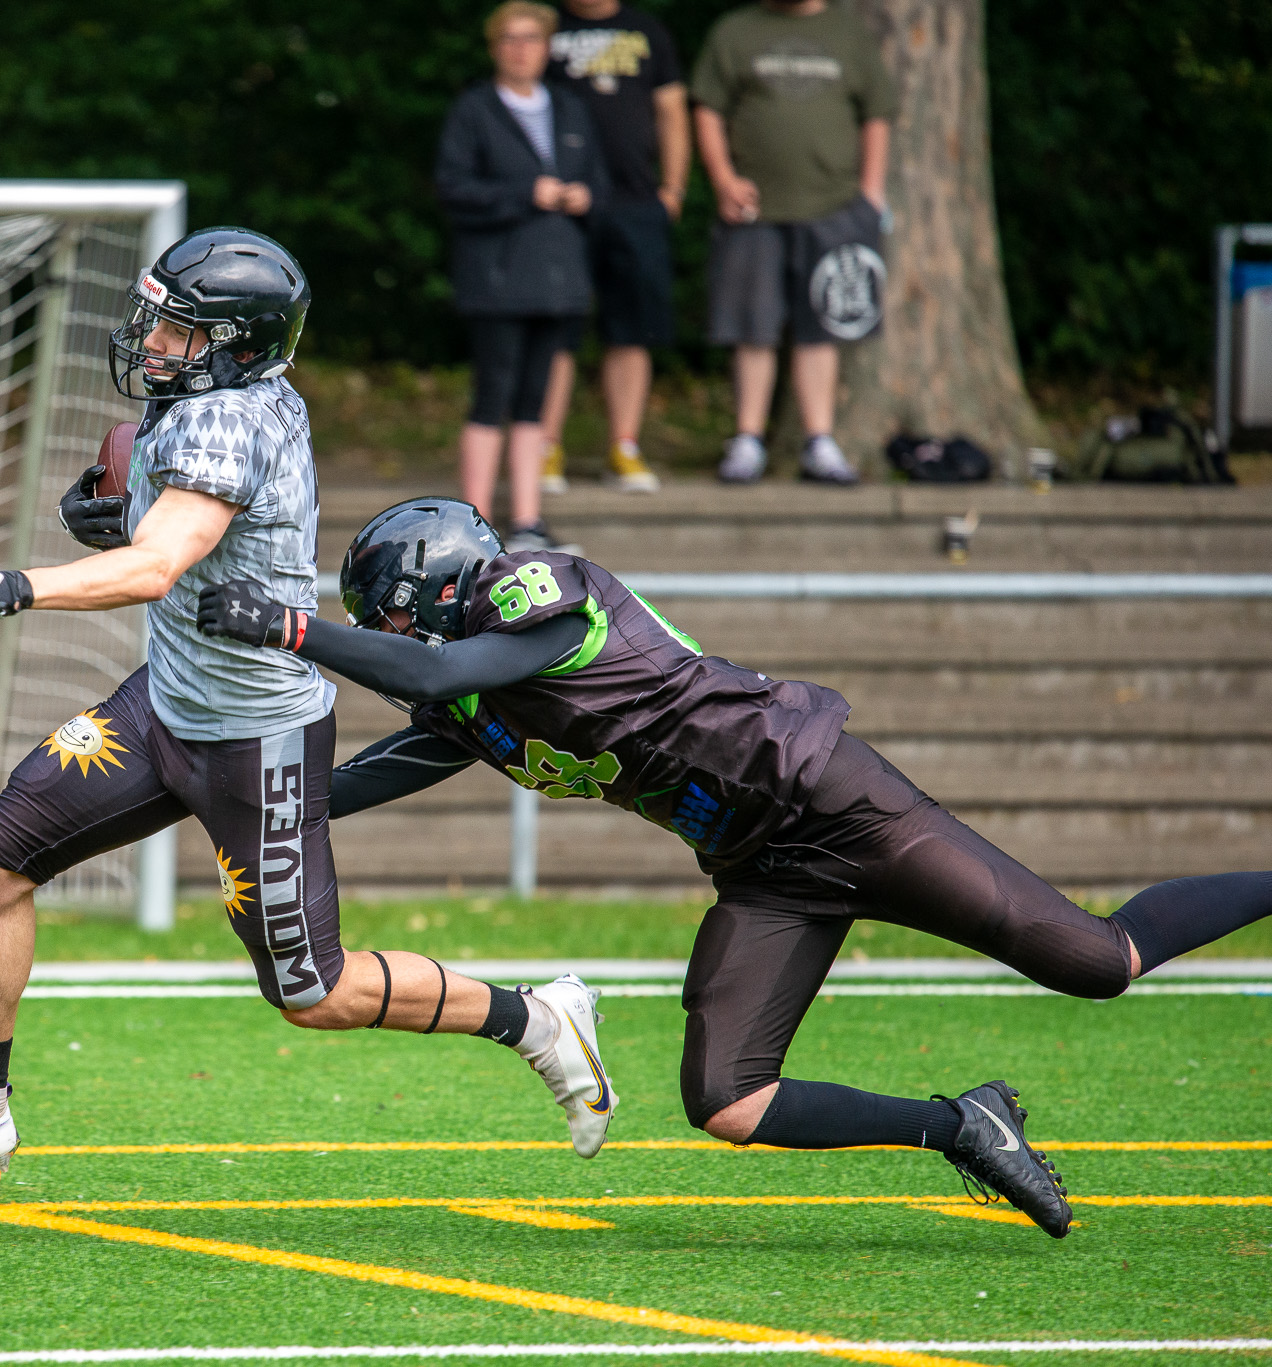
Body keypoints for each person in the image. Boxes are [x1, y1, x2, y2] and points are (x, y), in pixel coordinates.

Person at [197, 497, 1272, 1239]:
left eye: (391, 609)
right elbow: (358, 772)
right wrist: (219, 796)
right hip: (761, 865)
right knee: (726, 1097)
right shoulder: (467, 704)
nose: (387, 633)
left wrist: (296, 630)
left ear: (436, 580)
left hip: (834, 800)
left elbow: (434, 662)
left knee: (1097, 960)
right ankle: (962, 1122)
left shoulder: (537, 584)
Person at [0, 229, 617, 1192]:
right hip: (164, 705)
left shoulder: (228, 421)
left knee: (313, 993)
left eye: (178, 329)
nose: (153, 341)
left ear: (239, 344)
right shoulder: (212, 400)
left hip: (258, 737)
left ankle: (538, 1017)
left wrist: (20, 584)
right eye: (157, 319)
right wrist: (122, 511)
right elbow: (172, 530)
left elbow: (161, 563)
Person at [690, 0, 894, 485]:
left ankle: (820, 442)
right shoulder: (736, 30)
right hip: (753, 209)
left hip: (834, 208)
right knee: (751, 327)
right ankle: (747, 441)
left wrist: (870, 193)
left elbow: (878, 115)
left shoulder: (848, 33)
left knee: (822, 328)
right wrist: (722, 180)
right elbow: (708, 109)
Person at [437, 2, 610, 552]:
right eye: (510, 39)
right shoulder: (473, 110)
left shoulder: (570, 108)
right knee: (493, 395)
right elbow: (453, 188)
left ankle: (529, 522)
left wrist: (585, 197)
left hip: (557, 278)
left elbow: (600, 184)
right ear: (494, 47)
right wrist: (523, 195)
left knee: (535, 401)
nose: (521, 48)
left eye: (531, 38)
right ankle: (475, 524)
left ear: (547, 46)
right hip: (496, 279)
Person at [542, 0, 690, 495]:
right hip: (564, 204)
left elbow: (671, 111)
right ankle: (546, 448)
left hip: (634, 203)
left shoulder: (647, 31)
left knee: (632, 329)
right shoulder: (547, 29)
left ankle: (623, 447)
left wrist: (672, 190)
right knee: (557, 326)